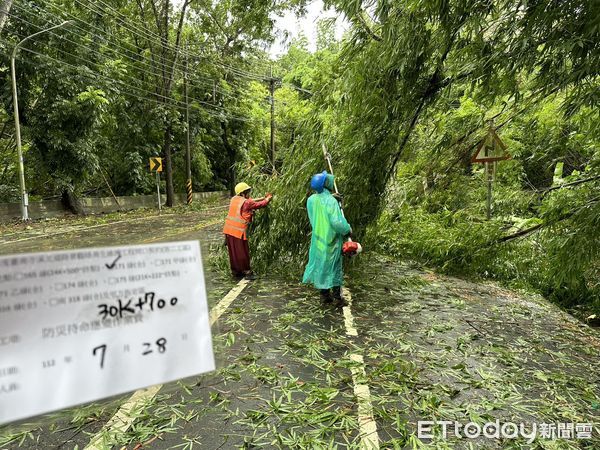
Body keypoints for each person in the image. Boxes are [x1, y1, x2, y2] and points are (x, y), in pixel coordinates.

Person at [302, 171, 352, 307]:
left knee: (322, 266)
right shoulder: (331, 201)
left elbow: (317, 212)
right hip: (332, 239)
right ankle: (337, 298)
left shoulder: (311, 200)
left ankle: (324, 296)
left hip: (318, 238)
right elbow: (337, 222)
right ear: (325, 183)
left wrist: (332, 198)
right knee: (335, 267)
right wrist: (347, 229)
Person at [223, 182, 273, 279]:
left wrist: (262, 197)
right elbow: (261, 204)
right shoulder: (247, 202)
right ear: (242, 193)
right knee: (243, 252)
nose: (249, 194)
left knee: (233, 252)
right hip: (238, 231)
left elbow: (249, 201)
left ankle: (236, 272)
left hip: (228, 230)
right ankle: (247, 272)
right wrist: (268, 198)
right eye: (247, 192)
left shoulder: (234, 199)